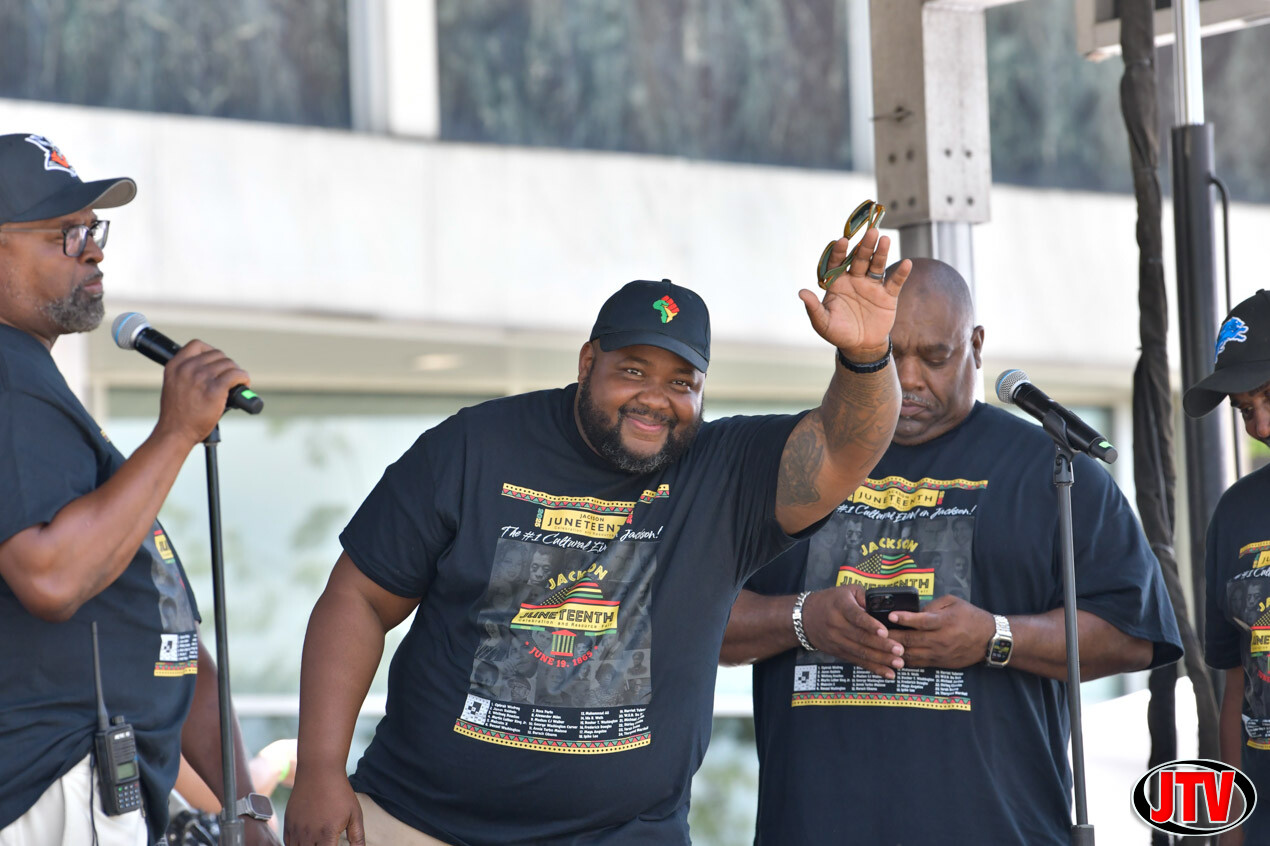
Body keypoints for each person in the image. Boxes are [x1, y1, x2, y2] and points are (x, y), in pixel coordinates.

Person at [285, 227, 909, 845]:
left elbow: (841, 447)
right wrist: (318, 770)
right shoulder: (474, 445)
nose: (654, 399)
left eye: (681, 382)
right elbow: (359, 599)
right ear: (588, 363)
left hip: (623, 834)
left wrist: (865, 359)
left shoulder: (725, 475)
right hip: (418, 820)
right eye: (633, 370)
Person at [722, 258, 1183, 845]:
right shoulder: (794, 462)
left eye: (935, 357)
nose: (909, 379)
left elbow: (1134, 635)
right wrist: (803, 619)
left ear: (977, 346)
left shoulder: (1056, 472)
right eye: (890, 354)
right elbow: (694, 620)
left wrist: (994, 637)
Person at [0, 133, 280, 846]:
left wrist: (244, 806)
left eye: (92, 230)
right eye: (64, 235)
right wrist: (176, 432)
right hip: (46, 784)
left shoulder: (34, 387)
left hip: (93, 781)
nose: (92, 252)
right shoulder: (6, 376)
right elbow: (49, 576)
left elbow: (170, 633)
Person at [1183, 289, 1270, 845]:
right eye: (1244, 409)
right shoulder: (1235, 514)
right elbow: (1234, 685)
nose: (1259, 425)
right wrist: (1230, 831)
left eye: (1269, 396)